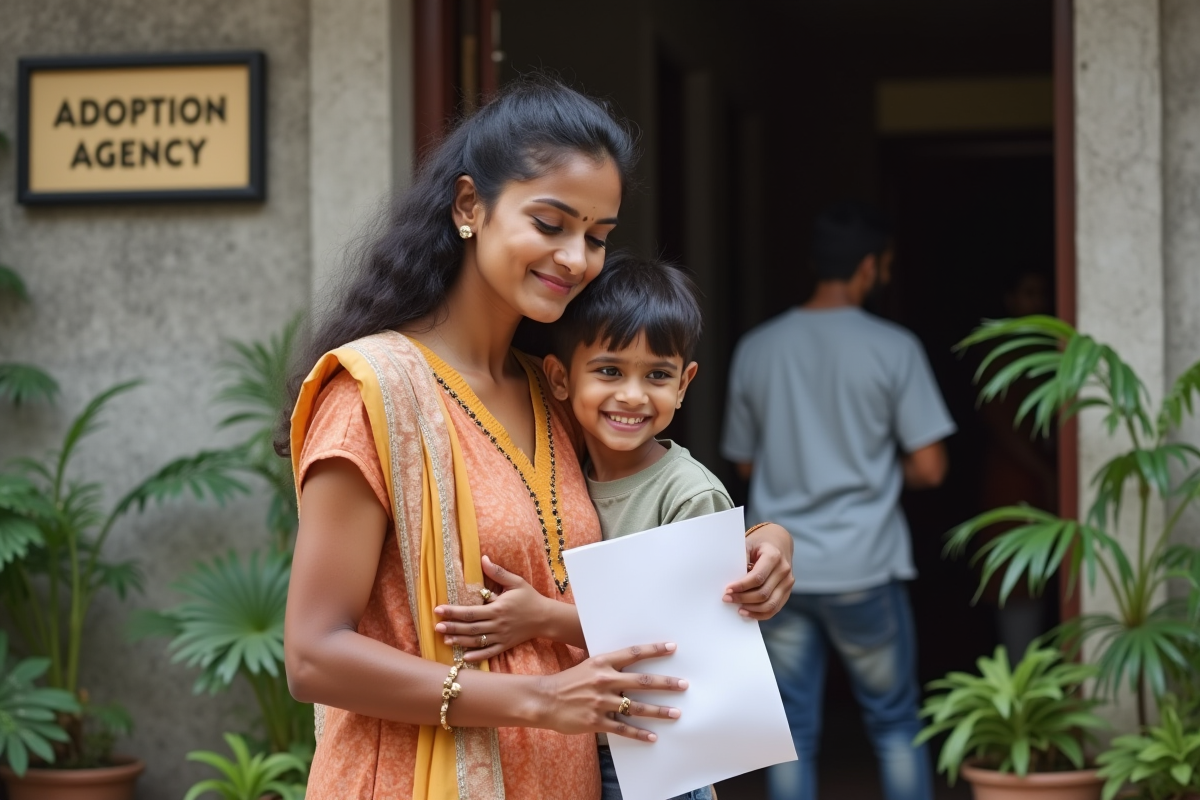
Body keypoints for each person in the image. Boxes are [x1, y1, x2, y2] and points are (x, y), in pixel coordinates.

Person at [281, 76, 796, 800]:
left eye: (597, 236)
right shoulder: (375, 392)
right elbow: (313, 657)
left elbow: (646, 496)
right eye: (550, 225)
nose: (577, 259)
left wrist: (766, 542)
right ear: (469, 206)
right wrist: (540, 699)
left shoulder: (550, 391)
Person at [432, 250, 795, 800]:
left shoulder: (687, 493)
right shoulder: (564, 469)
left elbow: (681, 638)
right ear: (559, 378)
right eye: (609, 371)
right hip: (587, 744)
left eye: (657, 375)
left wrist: (542, 618)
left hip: (659, 753)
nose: (632, 395)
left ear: (684, 384)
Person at [720, 201, 956, 800]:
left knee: (792, 730)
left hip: (776, 570)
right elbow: (930, 467)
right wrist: (870, 466)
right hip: (865, 566)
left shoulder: (759, 347)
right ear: (869, 267)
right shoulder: (894, 346)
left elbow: (743, 462)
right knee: (896, 722)